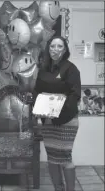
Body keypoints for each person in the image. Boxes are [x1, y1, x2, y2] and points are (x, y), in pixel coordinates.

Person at [34, 36, 81, 191]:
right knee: (52, 159)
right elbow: (37, 92)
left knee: (65, 157)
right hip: (47, 120)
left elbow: (75, 96)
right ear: (48, 48)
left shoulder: (71, 69)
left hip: (67, 120)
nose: (55, 49)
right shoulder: (43, 69)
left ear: (65, 49)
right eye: (52, 46)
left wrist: (58, 114)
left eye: (59, 46)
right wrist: (39, 110)